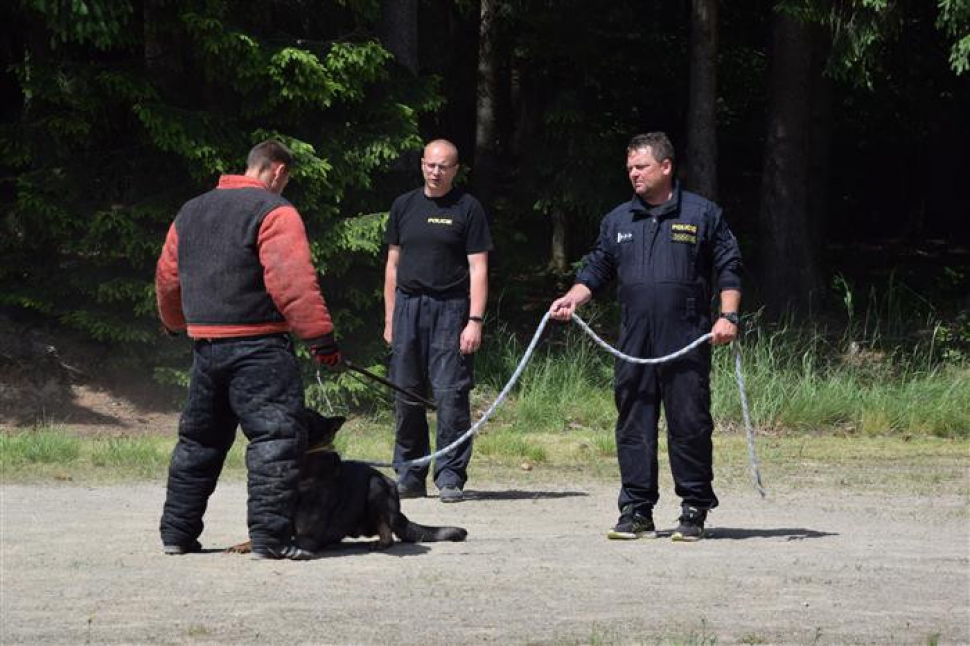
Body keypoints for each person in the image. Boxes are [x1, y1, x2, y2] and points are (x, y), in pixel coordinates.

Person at [549, 132, 742, 542]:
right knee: (633, 422)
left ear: (666, 167)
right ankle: (636, 510)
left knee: (689, 422)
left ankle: (693, 509)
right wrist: (572, 299)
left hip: (686, 334)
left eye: (641, 167)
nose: (633, 174)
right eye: (630, 169)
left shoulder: (702, 214)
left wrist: (728, 315)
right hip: (634, 340)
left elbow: (729, 265)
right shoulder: (619, 220)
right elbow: (597, 269)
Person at [155, 140, 341, 560]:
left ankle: (176, 535)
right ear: (277, 171)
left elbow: (168, 276)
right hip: (259, 350)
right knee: (276, 441)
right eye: (286, 180)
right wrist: (321, 341)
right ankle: (271, 540)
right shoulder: (275, 211)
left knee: (198, 443)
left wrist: (173, 323)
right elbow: (291, 280)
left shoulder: (191, 210)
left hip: (206, 347)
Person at [382, 139, 493, 503]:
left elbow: (479, 268)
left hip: (451, 310)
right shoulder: (404, 206)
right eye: (430, 164)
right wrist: (389, 318)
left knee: (451, 394)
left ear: (455, 169)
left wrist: (474, 319)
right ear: (422, 165)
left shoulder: (467, 208)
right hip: (408, 308)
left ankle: (449, 476)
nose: (435, 171)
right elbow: (392, 266)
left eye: (443, 166)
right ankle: (410, 475)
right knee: (406, 393)